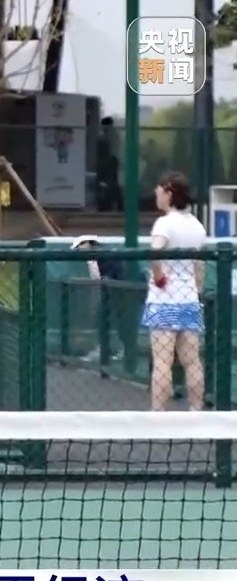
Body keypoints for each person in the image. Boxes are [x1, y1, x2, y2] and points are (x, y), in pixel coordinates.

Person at [142, 171, 207, 411]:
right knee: (192, 361)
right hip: (188, 299)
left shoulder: (164, 223)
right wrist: (196, 291)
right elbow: (199, 266)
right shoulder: (196, 226)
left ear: (169, 191)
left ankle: (158, 414)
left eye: (159, 189)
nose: (156, 193)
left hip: (163, 300)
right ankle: (196, 410)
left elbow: (155, 252)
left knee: (162, 361)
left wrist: (159, 277)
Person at [70, 235, 126, 363]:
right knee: (107, 320)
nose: (79, 250)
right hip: (113, 293)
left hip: (121, 292)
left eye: (80, 246)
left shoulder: (101, 256)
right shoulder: (96, 257)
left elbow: (99, 279)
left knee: (120, 321)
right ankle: (105, 349)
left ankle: (120, 350)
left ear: (88, 243)